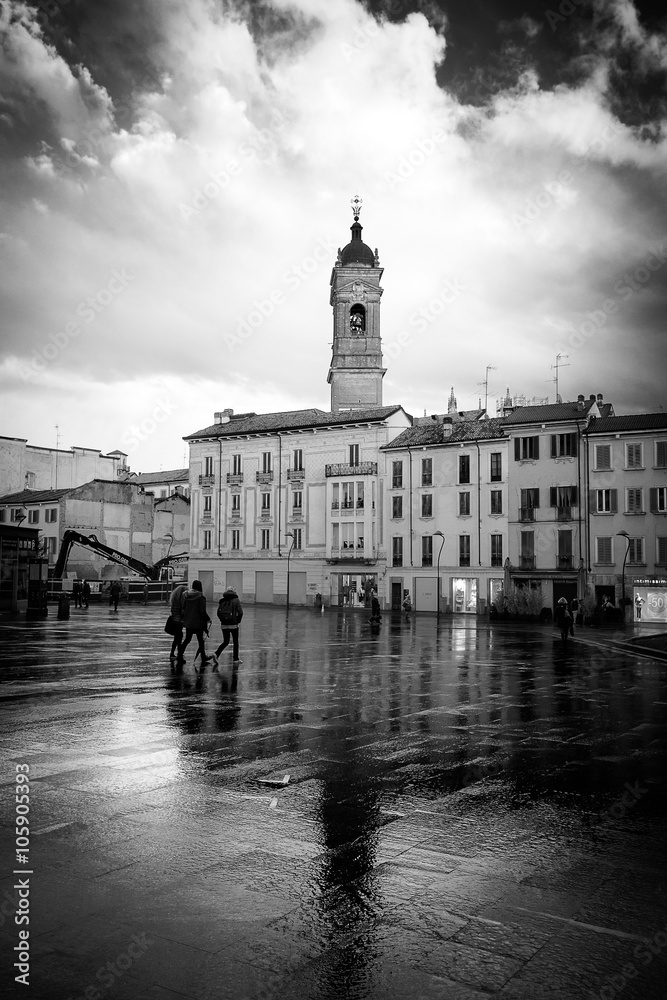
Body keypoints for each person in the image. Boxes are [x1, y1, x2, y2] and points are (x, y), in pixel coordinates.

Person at [180, 580, 212, 669]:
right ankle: (203, 656)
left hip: (189, 621)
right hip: (198, 622)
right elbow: (202, 611)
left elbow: (184, 608)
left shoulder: (187, 596)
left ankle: (179, 654)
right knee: (200, 640)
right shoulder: (201, 597)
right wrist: (208, 618)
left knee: (187, 639)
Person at [212, 586, 244, 667]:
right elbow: (240, 612)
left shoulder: (222, 600)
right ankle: (236, 659)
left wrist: (222, 620)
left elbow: (218, 613)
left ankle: (216, 654)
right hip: (233, 625)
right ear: (234, 592)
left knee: (225, 641)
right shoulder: (236, 600)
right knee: (235, 642)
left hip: (224, 625)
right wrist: (238, 620)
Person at [168, 582, 187, 661]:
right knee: (179, 638)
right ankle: (179, 655)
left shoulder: (174, 600)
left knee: (177, 638)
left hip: (174, 621)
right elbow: (182, 612)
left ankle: (173, 653)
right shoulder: (180, 601)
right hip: (178, 621)